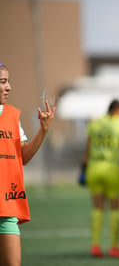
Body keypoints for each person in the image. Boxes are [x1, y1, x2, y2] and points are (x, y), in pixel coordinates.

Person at [0, 63, 55, 266]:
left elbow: (23, 157)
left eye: (8, 81)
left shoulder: (13, 116)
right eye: (3, 82)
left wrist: (43, 131)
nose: (9, 87)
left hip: (7, 207)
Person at [82, 98, 119, 258]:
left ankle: (95, 246)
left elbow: (87, 148)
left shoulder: (95, 123)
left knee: (97, 209)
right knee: (116, 209)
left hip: (94, 168)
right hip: (112, 168)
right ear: (118, 110)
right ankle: (114, 247)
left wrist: (82, 169)